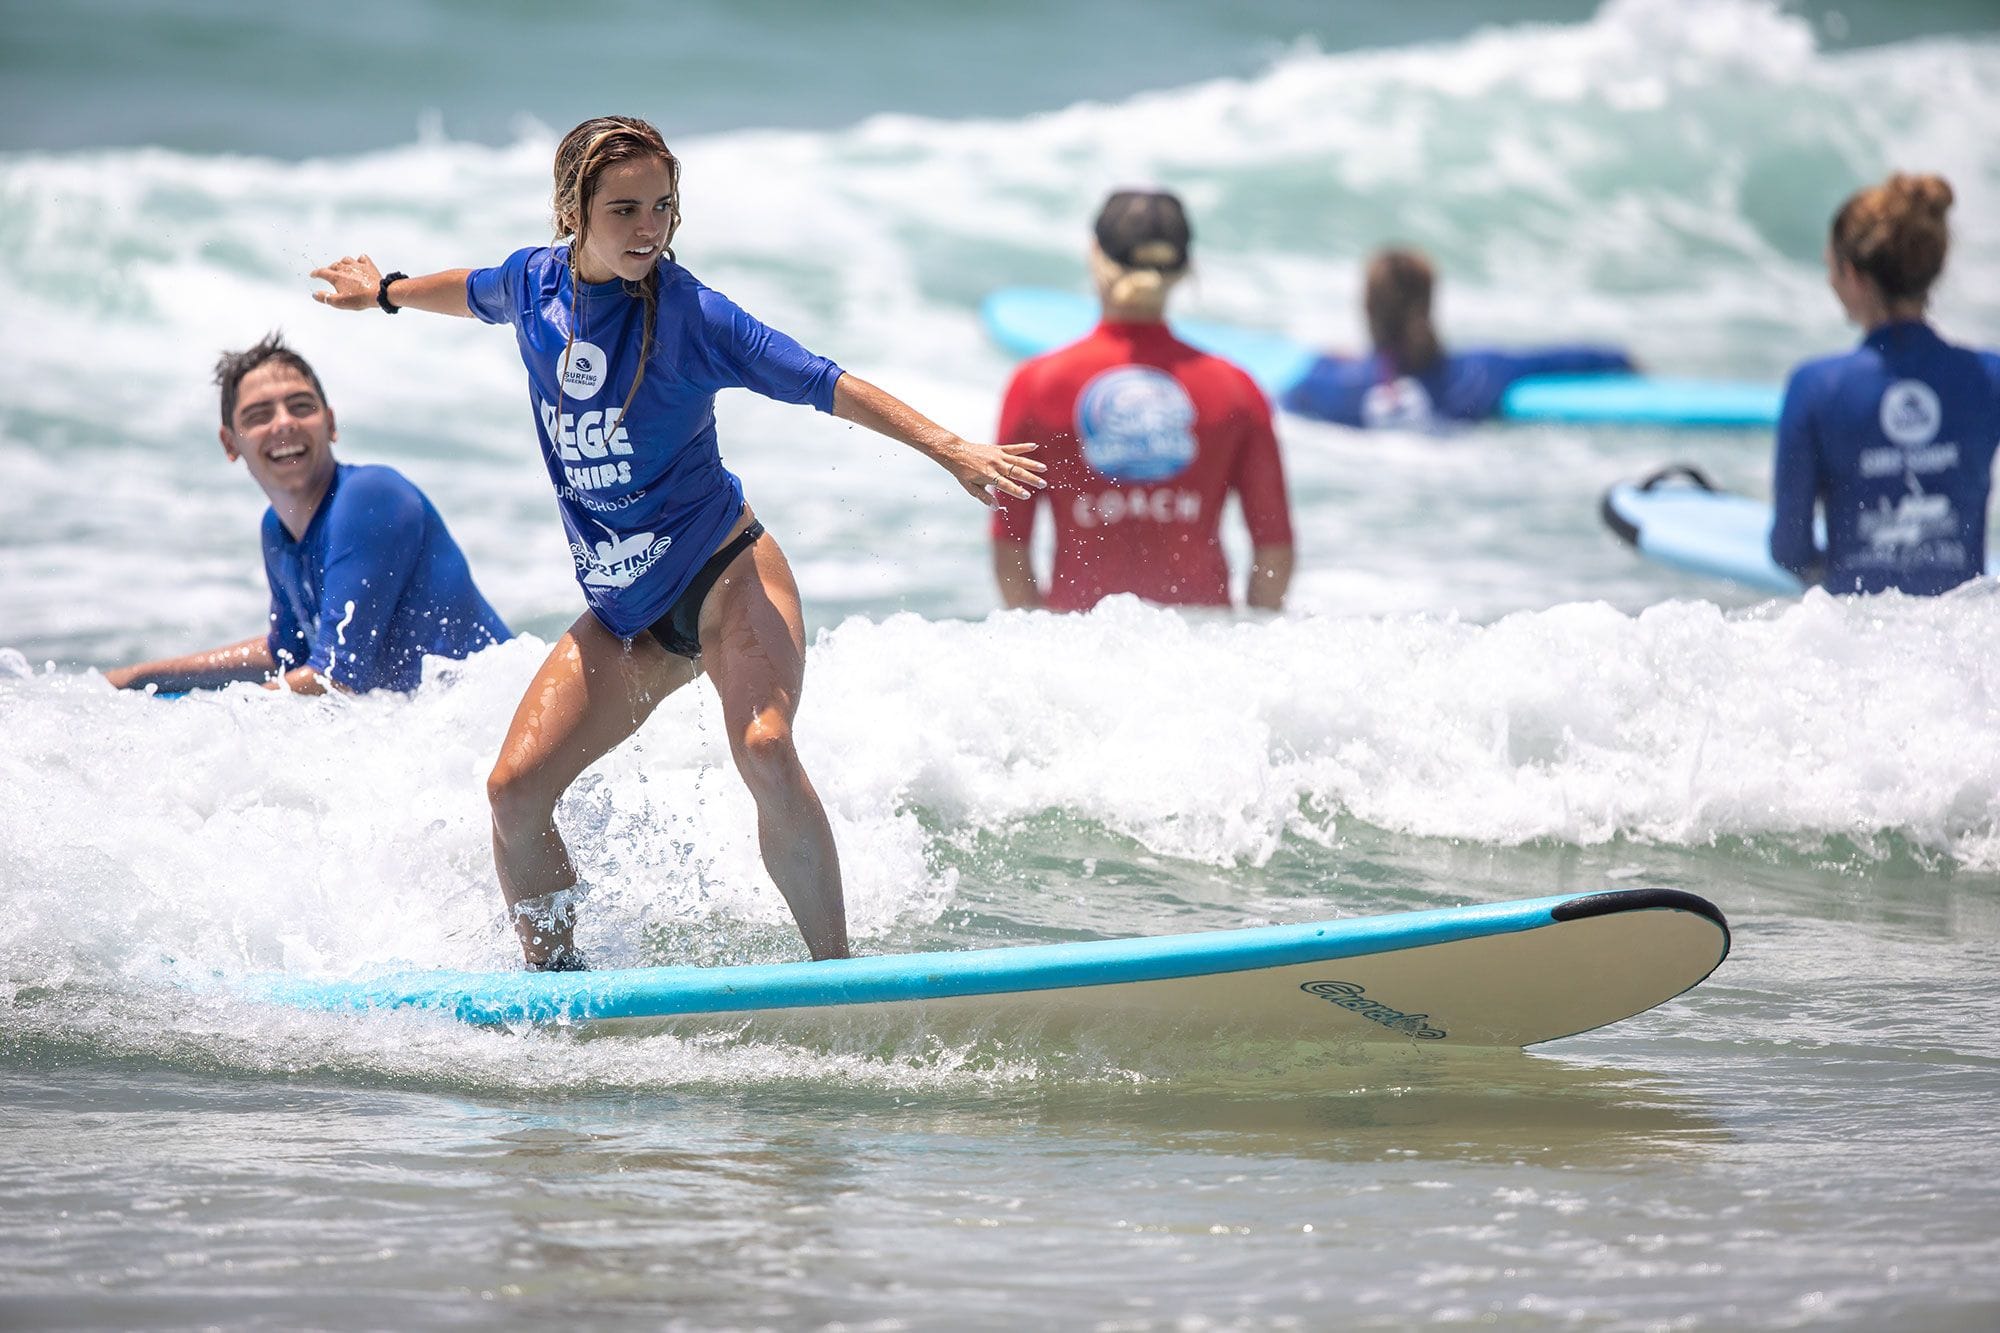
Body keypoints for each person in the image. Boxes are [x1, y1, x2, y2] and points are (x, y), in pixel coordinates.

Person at [309, 114, 1044, 970]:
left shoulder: (696, 316)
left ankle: (836, 974)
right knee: (513, 792)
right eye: (624, 209)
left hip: (725, 576)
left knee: (765, 747)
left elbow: (825, 383)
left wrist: (949, 447)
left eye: (662, 206)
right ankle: (558, 987)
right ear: (572, 210)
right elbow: (465, 288)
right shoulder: (531, 287)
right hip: (628, 612)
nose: (648, 228)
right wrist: (387, 290)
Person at [105, 335, 512, 695]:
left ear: (330, 424)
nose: (284, 423)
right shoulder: (278, 530)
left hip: (491, 723)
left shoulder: (371, 496)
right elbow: (287, 655)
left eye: (301, 407)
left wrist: (204, 715)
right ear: (230, 442)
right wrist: (137, 678)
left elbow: (334, 678)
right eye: (259, 415)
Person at [992, 189, 1294, 613]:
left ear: (1095, 254)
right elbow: (1274, 547)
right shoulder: (1236, 388)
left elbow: (1010, 546)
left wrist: (1040, 645)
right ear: (1186, 267)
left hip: (1077, 644)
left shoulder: (1036, 384)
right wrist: (1246, 647)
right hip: (1203, 646)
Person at [1769, 173, 2000, 595]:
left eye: (1830, 267)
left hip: (1859, 635)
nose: (1829, 281)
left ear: (1853, 275)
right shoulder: (1989, 377)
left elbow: (1790, 548)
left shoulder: (1816, 387)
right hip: (1966, 632)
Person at [1279, 246, 1635, 430]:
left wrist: (1334, 362)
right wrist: (1625, 360)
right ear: (1430, 303)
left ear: (1368, 307)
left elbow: (1291, 397)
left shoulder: (1332, 387)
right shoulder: (1478, 375)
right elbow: (1562, 359)